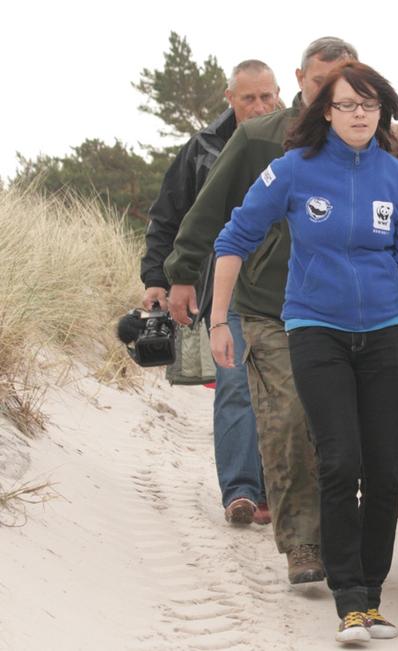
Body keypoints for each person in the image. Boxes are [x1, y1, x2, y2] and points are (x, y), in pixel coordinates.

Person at [210, 61, 398, 644]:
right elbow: (232, 238)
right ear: (327, 112)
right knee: (339, 462)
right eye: (347, 104)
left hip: (387, 336)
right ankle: (348, 601)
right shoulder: (292, 170)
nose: (359, 114)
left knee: (384, 471)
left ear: (381, 112)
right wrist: (219, 319)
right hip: (316, 332)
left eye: (368, 105)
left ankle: (372, 595)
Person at [164, 36, 358, 585]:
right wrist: (180, 273)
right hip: (269, 306)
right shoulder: (257, 138)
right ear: (301, 79)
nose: (332, 93)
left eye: (343, 81)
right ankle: (302, 543)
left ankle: (338, 533)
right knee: (289, 417)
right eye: (321, 82)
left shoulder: (369, 139)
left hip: (347, 309)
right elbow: (208, 209)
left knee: (338, 430)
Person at [140, 60, 279, 526]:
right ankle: (241, 491)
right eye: (248, 99)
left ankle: (272, 490)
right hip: (225, 286)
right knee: (235, 383)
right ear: (229, 98)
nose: (259, 106)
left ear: (280, 93)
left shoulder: (297, 141)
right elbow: (168, 216)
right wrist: (159, 280)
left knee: (280, 390)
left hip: (287, 284)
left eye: (266, 97)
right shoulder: (200, 148)